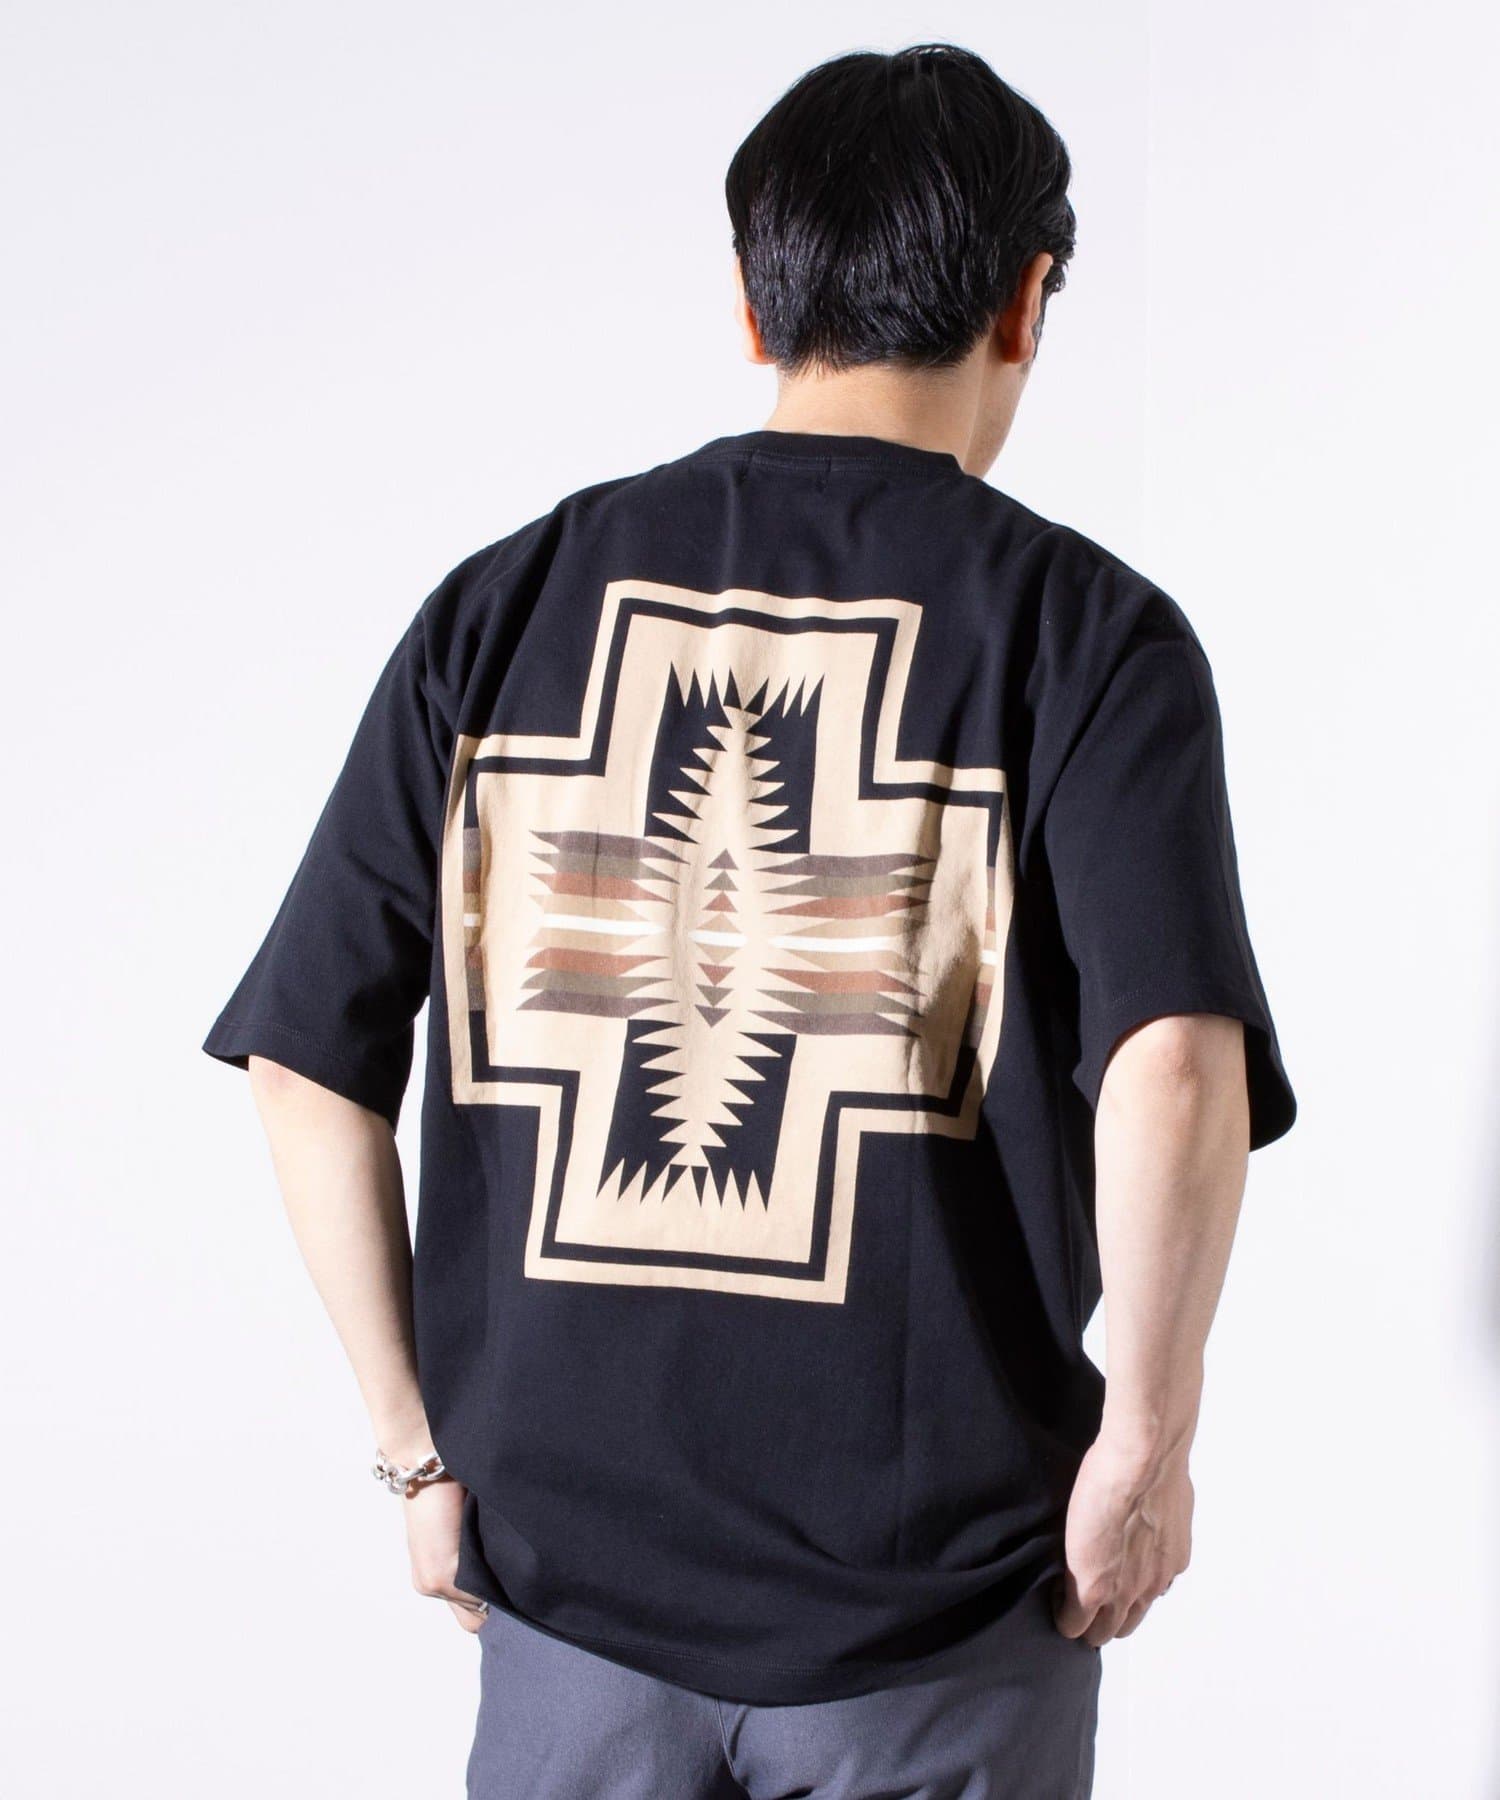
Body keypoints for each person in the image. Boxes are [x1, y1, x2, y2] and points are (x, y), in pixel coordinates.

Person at [203, 42, 1296, 1800]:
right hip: (936, 1624)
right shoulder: (1086, 634)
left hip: (565, 1602)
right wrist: (1147, 1446)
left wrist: (416, 1457)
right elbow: (1172, 1064)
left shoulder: (508, 604)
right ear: (1027, 302)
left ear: (750, 301)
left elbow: (300, 1058)